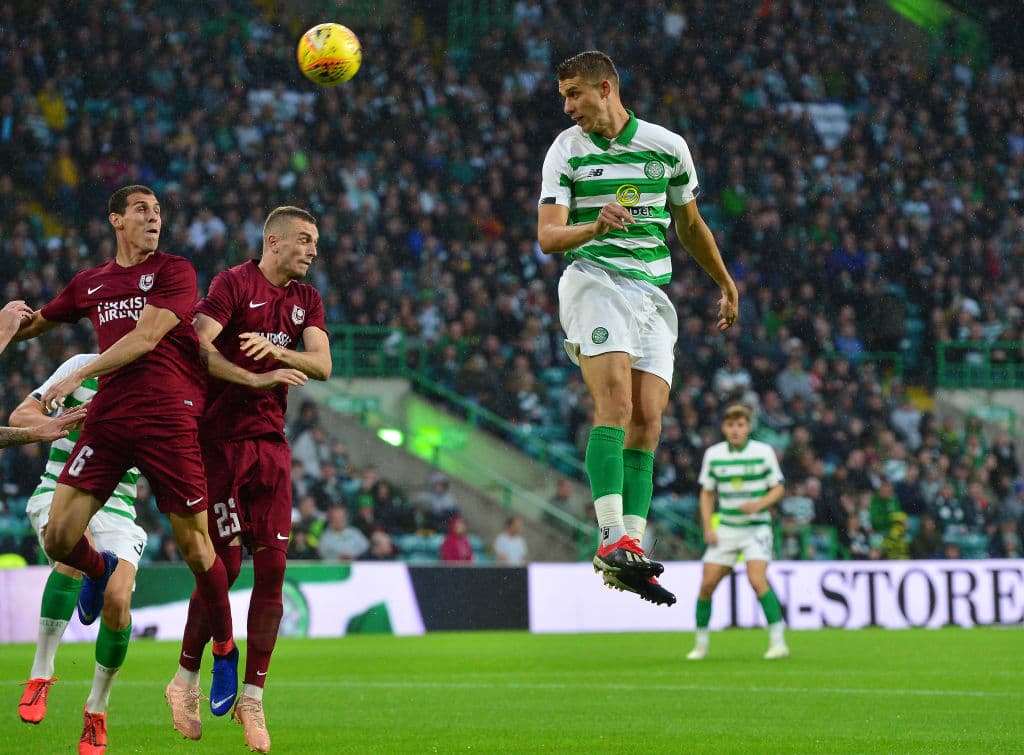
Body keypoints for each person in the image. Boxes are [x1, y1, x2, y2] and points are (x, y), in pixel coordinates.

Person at [9, 185, 238, 748]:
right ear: (116, 219)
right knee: (61, 538)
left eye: (159, 211)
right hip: (111, 418)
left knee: (197, 549)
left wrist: (67, 380)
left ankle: (226, 651)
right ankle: (97, 569)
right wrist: (15, 320)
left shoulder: (175, 271)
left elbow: (145, 336)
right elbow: (46, 321)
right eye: (142, 210)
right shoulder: (92, 282)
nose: (153, 218)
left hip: (167, 416)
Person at [536, 50, 738, 605]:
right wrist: (592, 224)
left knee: (648, 423)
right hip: (593, 281)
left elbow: (690, 224)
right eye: (563, 96)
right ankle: (607, 538)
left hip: (651, 295)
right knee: (617, 408)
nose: (568, 106)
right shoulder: (566, 151)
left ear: (606, 88)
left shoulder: (667, 148)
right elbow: (549, 236)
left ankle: (630, 544)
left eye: (575, 93)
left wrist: (725, 283)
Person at [165, 205, 330, 752]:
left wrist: (281, 352)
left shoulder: (306, 301)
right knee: (227, 563)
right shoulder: (233, 283)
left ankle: (253, 699)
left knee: (275, 569)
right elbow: (198, 345)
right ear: (275, 242)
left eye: (314, 242)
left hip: (271, 446)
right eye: (303, 240)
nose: (311, 250)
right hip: (218, 444)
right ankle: (185, 679)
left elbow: (323, 365)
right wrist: (254, 377)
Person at [14, 354, 147, 744]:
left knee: (118, 600)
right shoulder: (81, 365)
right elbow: (22, 416)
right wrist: (63, 424)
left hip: (118, 508)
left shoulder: (160, 386)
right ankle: (40, 674)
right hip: (58, 489)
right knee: (74, 543)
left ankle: (97, 710)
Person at [688, 404, 788, 661]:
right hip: (728, 529)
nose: (735, 430)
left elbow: (778, 488)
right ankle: (700, 644)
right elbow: (707, 492)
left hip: (757, 528)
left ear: (748, 427)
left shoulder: (763, 452)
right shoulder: (714, 454)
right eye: (731, 425)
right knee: (707, 584)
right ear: (724, 427)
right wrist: (708, 527)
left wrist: (758, 505)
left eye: (740, 425)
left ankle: (778, 642)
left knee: (757, 580)